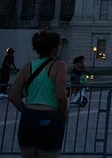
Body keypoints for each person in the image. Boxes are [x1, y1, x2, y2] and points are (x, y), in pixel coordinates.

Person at [8, 29, 69, 158]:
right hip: (49, 117)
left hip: (28, 117)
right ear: (54, 49)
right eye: (59, 45)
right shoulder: (59, 66)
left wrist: (26, 111)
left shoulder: (27, 66)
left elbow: (13, 95)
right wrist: (64, 114)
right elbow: (61, 96)